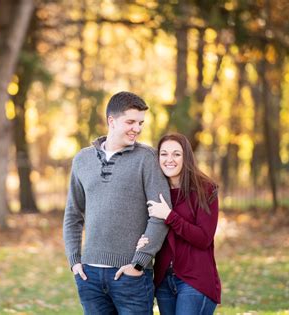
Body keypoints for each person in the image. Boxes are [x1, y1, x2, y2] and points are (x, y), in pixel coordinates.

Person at [63, 91, 172, 314]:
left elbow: (160, 215)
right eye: (130, 121)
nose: (137, 128)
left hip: (131, 276)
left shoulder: (147, 158)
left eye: (141, 123)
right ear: (111, 121)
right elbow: (73, 215)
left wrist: (139, 263)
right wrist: (75, 261)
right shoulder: (82, 160)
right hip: (89, 276)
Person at [137, 133, 221, 315]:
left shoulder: (205, 189)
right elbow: (150, 226)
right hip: (163, 281)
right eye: (164, 154)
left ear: (186, 157)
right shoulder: (155, 190)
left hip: (195, 280)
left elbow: (204, 238)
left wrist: (169, 215)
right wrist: (142, 239)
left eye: (176, 154)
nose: (169, 160)